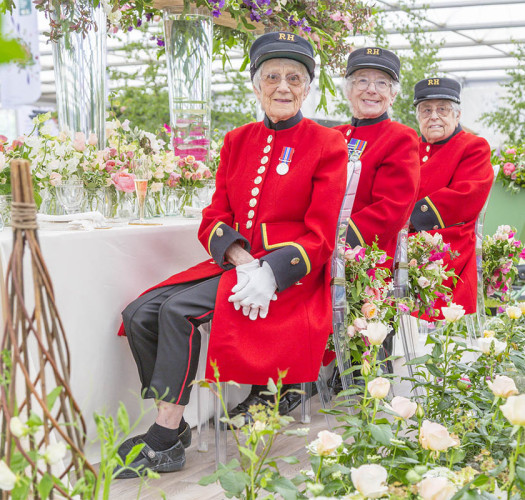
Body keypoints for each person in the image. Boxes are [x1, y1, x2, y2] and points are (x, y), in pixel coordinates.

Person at [115, 31, 348, 478]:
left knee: (177, 311)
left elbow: (321, 237)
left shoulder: (326, 143)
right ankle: (179, 424)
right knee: (140, 312)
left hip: (289, 277)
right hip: (238, 265)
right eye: (273, 77)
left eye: (295, 78)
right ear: (256, 86)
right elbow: (214, 215)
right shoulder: (238, 139)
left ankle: (164, 439)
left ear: (308, 87)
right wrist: (243, 258)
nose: (284, 86)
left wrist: (271, 272)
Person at [325, 47, 420, 374]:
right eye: (362, 80)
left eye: (382, 83)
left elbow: (392, 209)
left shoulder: (400, 138)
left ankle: (367, 379)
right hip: (325, 245)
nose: (371, 89)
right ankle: (297, 377)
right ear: (348, 90)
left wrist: (338, 241)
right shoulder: (333, 137)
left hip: (368, 248)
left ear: (393, 95)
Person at [409, 77, 493, 316]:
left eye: (442, 109)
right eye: (426, 109)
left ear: (457, 115)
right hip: (403, 236)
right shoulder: (409, 147)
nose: (433, 116)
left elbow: (465, 196)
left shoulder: (473, 146)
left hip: (447, 241)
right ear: (418, 116)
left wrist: (408, 219)